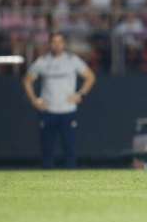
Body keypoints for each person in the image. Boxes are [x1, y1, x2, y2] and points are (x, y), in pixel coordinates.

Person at [22, 32, 96, 168]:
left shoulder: (72, 60)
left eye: (59, 42)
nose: (57, 45)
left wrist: (81, 94)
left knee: (70, 149)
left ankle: (70, 183)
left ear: (64, 44)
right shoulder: (43, 61)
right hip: (48, 111)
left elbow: (90, 76)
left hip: (67, 111)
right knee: (47, 151)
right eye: (54, 42)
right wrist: (34, 100)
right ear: (50, 44)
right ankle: (47, 182)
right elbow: (27, 80)